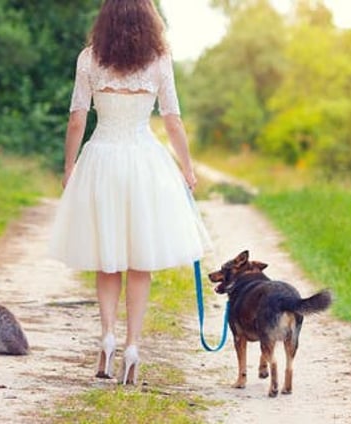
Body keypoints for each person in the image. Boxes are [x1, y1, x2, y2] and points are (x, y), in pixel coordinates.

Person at [48, 0, 211, 385]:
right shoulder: (159, 59)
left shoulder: (89, 58)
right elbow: (172, 119)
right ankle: (133, 347)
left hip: (101, 159)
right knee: (140, 261)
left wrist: (69, 166)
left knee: (107, 259)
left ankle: (106, 339)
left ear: (105, 17)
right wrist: (187, 167)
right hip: (144, 161)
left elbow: (76, 119)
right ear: (147, 18)